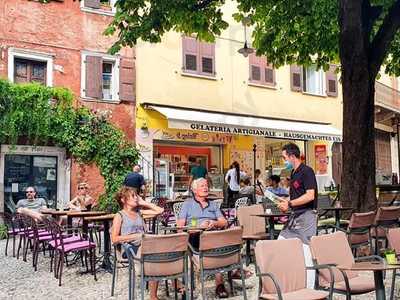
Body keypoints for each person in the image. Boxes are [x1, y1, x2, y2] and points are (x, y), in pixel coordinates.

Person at [177, 178, 230, 298]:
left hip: (212, 236)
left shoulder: (213, 204)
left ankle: (219, 284)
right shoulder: (187, 204)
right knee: (215, 246)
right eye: (202, 186)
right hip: (194, 238)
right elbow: (180, 227)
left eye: (206, 185)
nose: (206, 188)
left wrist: (214, 223)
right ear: (194, 190)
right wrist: (198, 227)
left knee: (221, 242)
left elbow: (224, 222)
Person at [111, 186, 164, 300]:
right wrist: (135, 236)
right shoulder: (119, 215)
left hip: (145, 245)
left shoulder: (140, 213)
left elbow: (160, 210)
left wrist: (144, 202)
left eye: (136, 196)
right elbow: (114, 239)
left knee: (162, 253)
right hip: (130, 248)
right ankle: (154, 296)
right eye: (133, 196)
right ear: (123, 200)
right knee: (154, 258)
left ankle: (164, 288)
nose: (136, 198)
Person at [277, 142, 318, 289]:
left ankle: (310, 290)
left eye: (284, 157)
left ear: (292, 156)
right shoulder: (293, 173)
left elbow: (310, 195)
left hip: (307, 216)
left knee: (306, 252)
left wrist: (290, 204)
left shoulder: (307, 171)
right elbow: (296, 196)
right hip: (295, 216)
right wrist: (286, 202)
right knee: (281, 242)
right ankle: (290, 280)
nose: (283, 161)